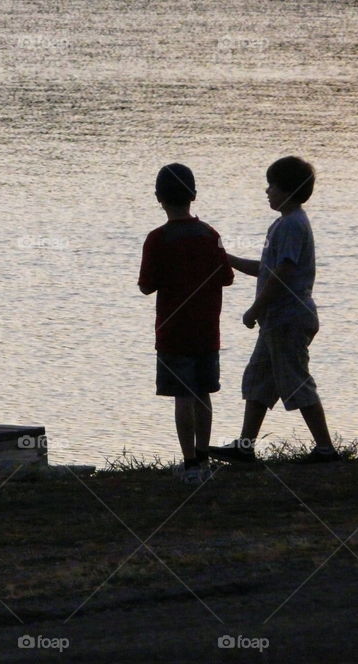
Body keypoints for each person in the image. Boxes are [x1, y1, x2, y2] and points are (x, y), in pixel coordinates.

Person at [208, 156, 339, 464]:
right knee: (259, 381)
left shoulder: (292, 225)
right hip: (276, 321)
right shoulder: (282, 224)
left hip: (288, 319)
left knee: (295, 380)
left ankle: (326, 450)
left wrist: (255, 309)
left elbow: (283, 273)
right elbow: (267, 269)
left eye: (272, 185)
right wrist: (228, 260)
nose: (267, 191)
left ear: (288, 190)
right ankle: (244, 447)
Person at [138, 164, 234, 483]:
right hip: (207, 331)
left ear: (158, 198)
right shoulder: (211, 235)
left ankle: (190, 463)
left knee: (183, 396)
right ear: (193, 195)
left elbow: (146, 285)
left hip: (172, 332)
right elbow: (226, 277)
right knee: (204, 393)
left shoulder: (156, 239)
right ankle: (204, 459)